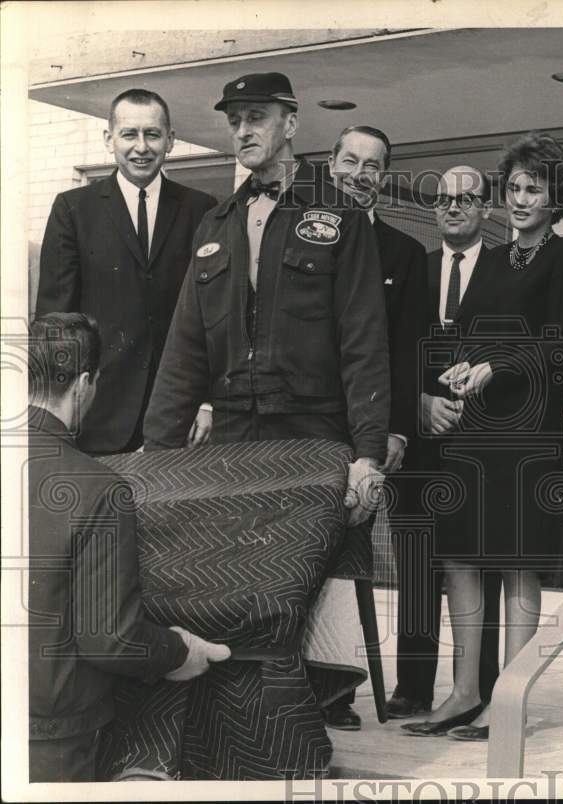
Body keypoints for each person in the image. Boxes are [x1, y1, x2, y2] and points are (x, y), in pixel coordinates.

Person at [401, 134, 563, 740]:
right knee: (459, 556)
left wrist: (497, 366)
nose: (521, 198)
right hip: (474, 433)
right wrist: (458, 370)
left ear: (555, 196)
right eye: (513, 188)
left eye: (534, 188)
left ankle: (512, 700)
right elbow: (469, 339)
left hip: (528, 436)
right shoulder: (497, 258)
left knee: (516, 563)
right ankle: (463, 693)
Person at [142, 72, 388, 528]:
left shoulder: (341, 215)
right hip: (233, 440)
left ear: (290, 125)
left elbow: (363, 339)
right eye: (235, 121)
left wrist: (368, 454)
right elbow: (185, 348)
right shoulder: (216, 224)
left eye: (256, 118)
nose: (242, 131)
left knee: (317, 584)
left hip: (313, 437)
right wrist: (155, 455)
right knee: (239, 578)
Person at [27, 313, 230, 782]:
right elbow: (110, 640)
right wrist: (181, 652)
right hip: (53, 738)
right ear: (83, 384)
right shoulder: (99, 489)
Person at [383, 165, 504, 721]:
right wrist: (417, 408)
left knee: (480, 564)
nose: (453, 208)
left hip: (482, 443)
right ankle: (412, 685)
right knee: (415, 563)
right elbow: (394, 351)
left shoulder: (507, 268)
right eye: (444, 200)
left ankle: (481, 685)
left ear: (486, 208)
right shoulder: (415, 267)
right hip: (420, 441)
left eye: (467, 199)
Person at [36, 89, 217, 455]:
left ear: (170, 139)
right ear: (109, 139)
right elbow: (56, 320)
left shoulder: (202, 210)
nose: (141, 147)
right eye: (129, 134)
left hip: (177, 416)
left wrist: (206, 401)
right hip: (95, 415)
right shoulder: (73, 209)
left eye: (152, 134)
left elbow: (214, 316)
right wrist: (58, 412)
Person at [320, 124, 428, 730]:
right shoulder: (300, 239)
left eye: (373, 165)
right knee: (317, 557)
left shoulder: (405, 254)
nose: (360, 174)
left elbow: (409, 352)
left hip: (374, 431)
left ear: (383, 179)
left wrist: (397, 429)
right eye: (351, 161)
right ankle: (320, 685)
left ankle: (378, 687)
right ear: (331, 166)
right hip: (312, 428)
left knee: (382, 557)